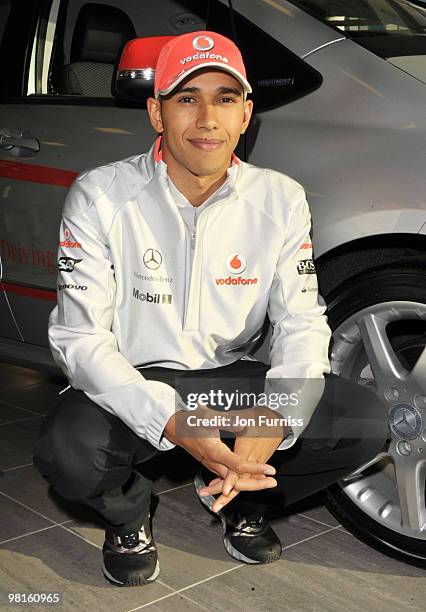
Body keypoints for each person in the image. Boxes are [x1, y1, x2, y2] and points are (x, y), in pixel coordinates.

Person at [33, 31, 390, 587]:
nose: (206, 118)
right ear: (156, 113)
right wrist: (173, 421)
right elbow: (79, 340)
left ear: (246, 115)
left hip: (229, 383)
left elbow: (300, 318)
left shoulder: (280, 198)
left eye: (225, 99)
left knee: (363, 420)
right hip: (140, 379)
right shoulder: (100, 195)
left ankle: (243, 500)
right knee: (68, 451)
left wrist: (276, 415)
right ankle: (128, 515)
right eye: (186, 98)